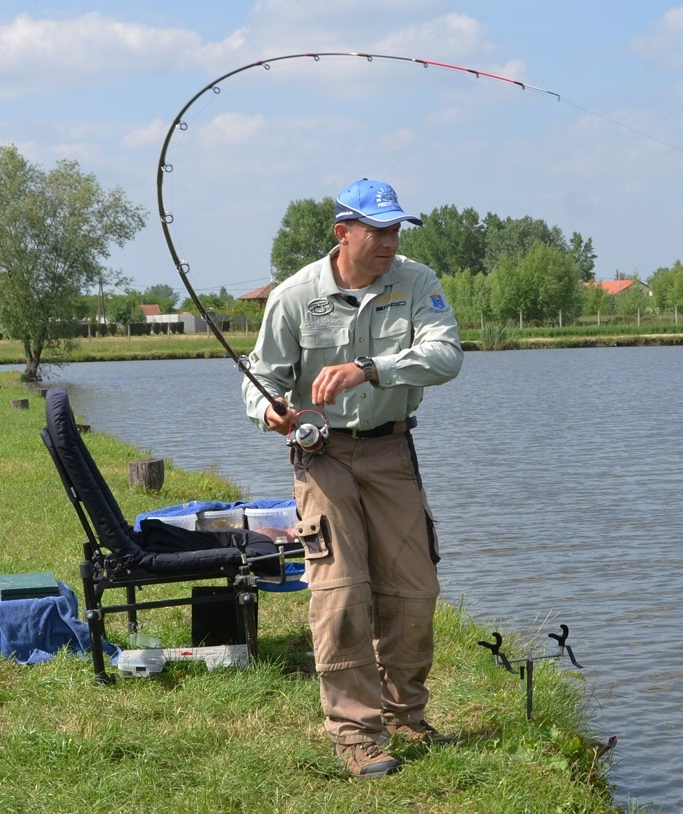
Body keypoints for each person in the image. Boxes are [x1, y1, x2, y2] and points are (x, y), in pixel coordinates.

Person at [242, 178, 463, 778]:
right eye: (378, 230)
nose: (390, 241)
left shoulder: (417, 282)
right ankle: (355, 734)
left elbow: (447, 356)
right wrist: (271, 411)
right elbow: (259, 377)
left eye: (395, 229)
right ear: (344, 233)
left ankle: (405, 714)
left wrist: (369, 368)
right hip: (324, 458)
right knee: (340, 595)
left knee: (415, 593)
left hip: (392, 451)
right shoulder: (293, 296)